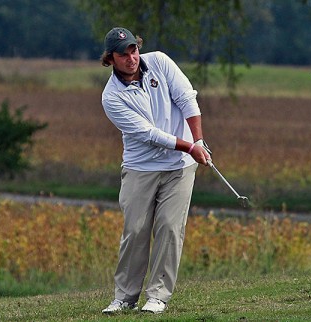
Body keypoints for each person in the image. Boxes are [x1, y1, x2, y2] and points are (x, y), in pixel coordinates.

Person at [99, 27, 212, 314]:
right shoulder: (111, 97)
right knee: (135, 230)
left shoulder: (159, 62)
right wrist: (190, 146)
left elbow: (187, 98)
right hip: (141, 168)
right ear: (110, 59)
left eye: (133, 50)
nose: (131, 58)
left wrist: (198, 140)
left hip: (179, 168)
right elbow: (148, 133)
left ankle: (158, 296)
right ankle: (125, 297)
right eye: (122, 55)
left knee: (170, 228)